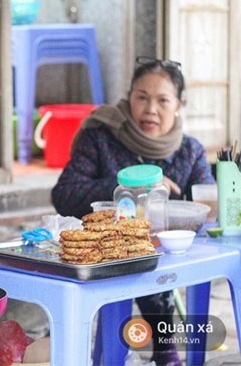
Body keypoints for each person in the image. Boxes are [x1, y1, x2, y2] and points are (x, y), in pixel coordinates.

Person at [51, 56, 215, 366]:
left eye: (162, 100)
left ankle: (164, 347)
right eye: (142, 97)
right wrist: (127, 187)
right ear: (129, 98)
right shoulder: (101, 138)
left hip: (170, 258)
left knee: (155, 259)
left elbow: (204, 209)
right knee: (137, 256)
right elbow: (64, 194)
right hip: (106, 254)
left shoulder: (189, 151)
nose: (150, 109)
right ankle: (136, 351)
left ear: (179, 105)